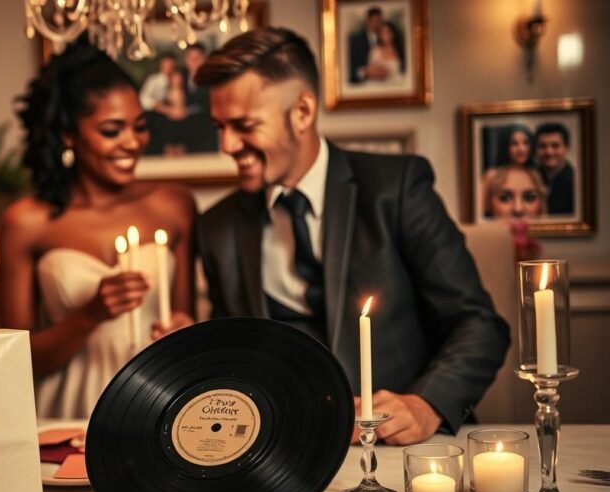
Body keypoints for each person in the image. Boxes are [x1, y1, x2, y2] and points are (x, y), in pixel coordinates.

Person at [193, 27, 509, 444]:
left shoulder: (396, 188)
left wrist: (426, 404)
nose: (227, 145)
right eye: (219, 126)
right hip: (284, 448)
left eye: (244, 125)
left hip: (404, 449)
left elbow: (479, 325)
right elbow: (233, 352)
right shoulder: (218, 226)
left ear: (303, 112)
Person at [0, 39, 197, 419]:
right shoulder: (26, 223)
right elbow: (15, 364)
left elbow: (183, 320)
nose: (132, 143)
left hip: (158, 405)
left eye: (139, 127)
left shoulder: (174, 207)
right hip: (68, 411)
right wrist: (89, 313)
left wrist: (184, 329)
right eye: (112, 131)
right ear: (69, 136)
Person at [480, 124, 534, 203]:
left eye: (525, 143)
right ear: (505, 146)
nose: (521, 149)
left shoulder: (534, 174)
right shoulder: (491, 176)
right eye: (514, 144)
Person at [535, 122, 575, 215]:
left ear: (566, 148)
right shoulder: (530, 178)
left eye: (555, 146)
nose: (549, 152)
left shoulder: (577, 182)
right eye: (542, 146)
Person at [349, 6, 383, 84]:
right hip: (362, 84)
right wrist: (365, 71)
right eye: (373, 21)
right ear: (367, 21)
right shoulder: (356, 41)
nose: (376, 24)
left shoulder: (386, 39)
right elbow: (351, 68)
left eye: (378, 21)